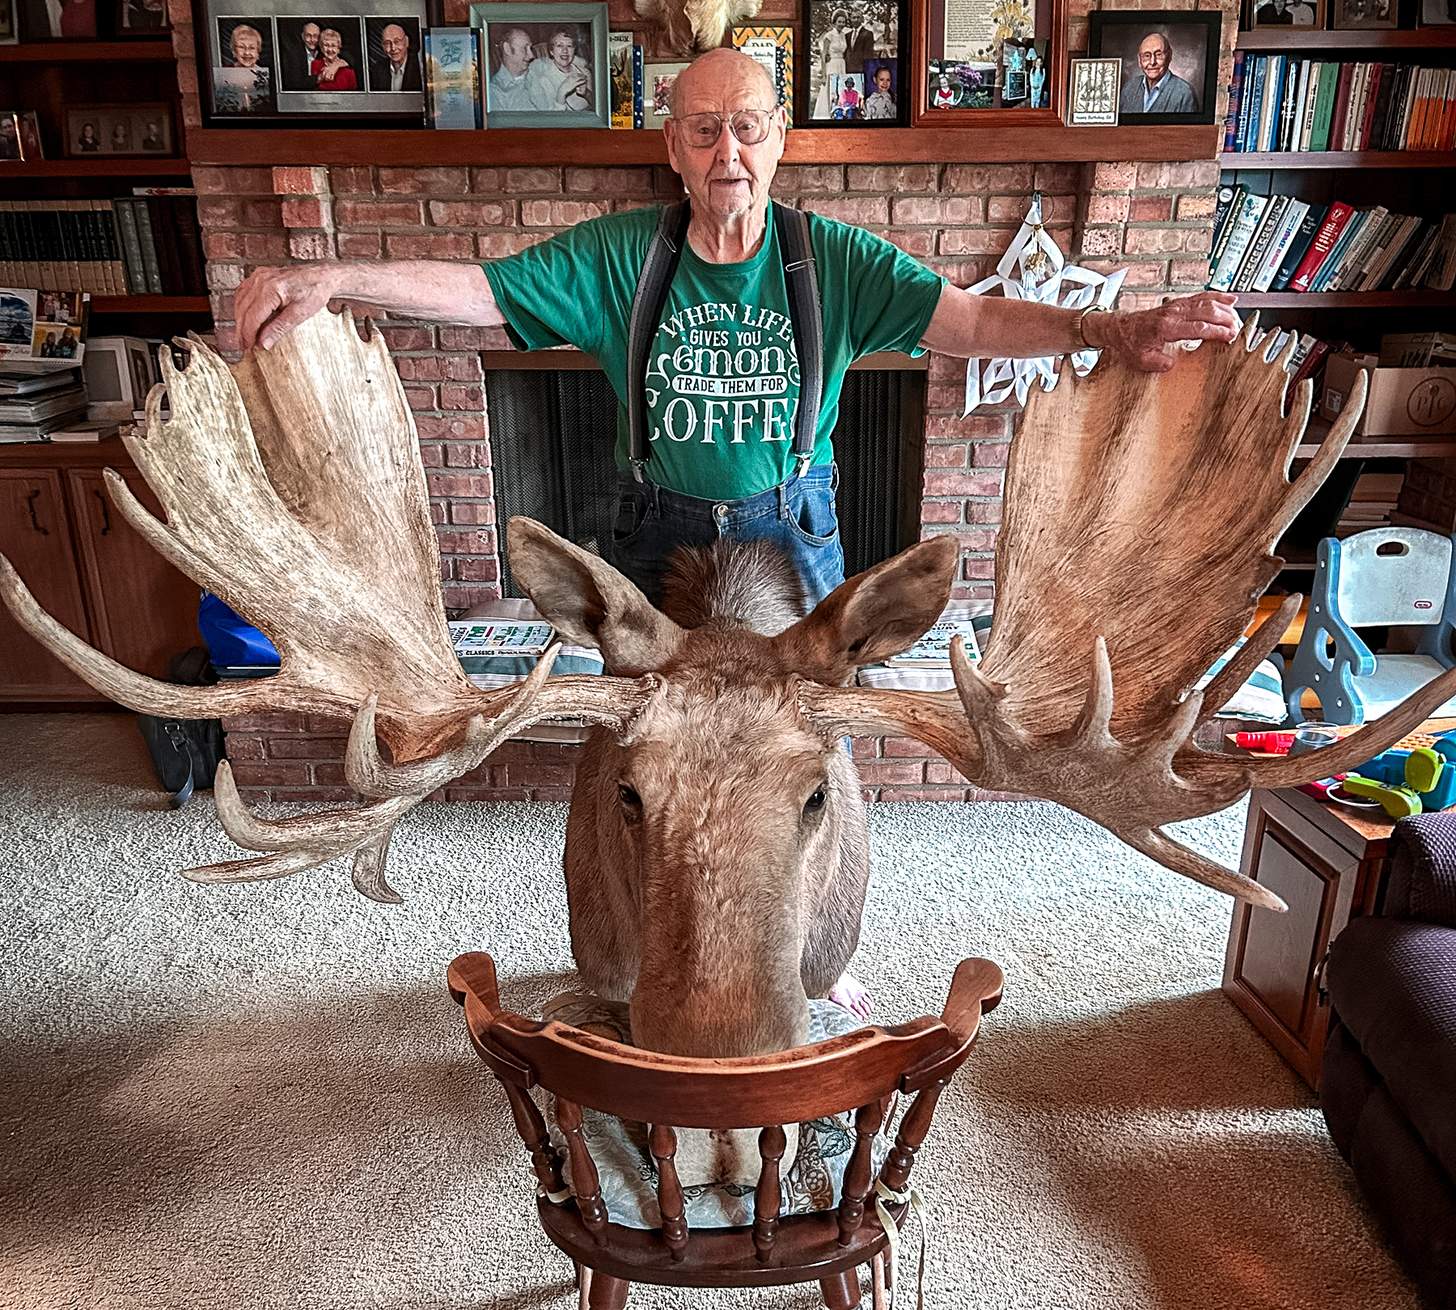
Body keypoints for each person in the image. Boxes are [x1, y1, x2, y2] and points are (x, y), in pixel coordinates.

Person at [236, 44, 1240, 603]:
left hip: (790, 532)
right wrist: (340, 277)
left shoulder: (832, 259)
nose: (728, 148)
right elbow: (479, 292)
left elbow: (972, 323)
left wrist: (1112, 327)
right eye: (704, 127)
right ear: (674, 146)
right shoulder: (625, 254)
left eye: (747, 126)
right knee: (654, 746)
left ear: (779, 143)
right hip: (656, 529)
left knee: (802, 739)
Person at [1118, 32, 1198, 114]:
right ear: (1139, 60)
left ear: (1169, 56)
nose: (1152, 62)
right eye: (1147, 56)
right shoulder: (1129, 87)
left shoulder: (1185, 93)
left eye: (1158, 54)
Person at [525, 28, 591, 111]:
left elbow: (599, 106)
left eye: (569, 46)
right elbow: (552, 119)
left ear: (574, 50)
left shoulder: (584, 72)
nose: (565, 50)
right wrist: (561, 94)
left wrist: (586, 93)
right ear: (551, 51)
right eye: (560, 45)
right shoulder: (543, 80)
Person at [489, 27, 535, 111]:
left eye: (530, 48)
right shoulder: (495, 91)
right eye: (524, 48)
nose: (531, 55)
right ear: (507, 49)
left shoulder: (539, 70)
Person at [370, 22, 421, 92]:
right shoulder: (377, 69)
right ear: (383, 46)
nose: (393, 48)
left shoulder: (420, 66)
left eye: (397, 42)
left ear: (406, 42)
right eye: (387, 43)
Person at [280, 20, 323, 91]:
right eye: (308, 35)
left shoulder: (324, 52)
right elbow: (295, 83)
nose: (312, 40)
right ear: (302, 37)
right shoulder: (293, 54)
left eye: (315, 36)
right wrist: (319, 78)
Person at [312, 27, 358, 91]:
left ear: (338, 49)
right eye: (326, 45)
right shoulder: (315, 64)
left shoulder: (349, 71)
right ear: (321, 48)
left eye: (333, 45)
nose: (330, 49)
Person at [842, 8, 875, 72]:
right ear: (850, 19)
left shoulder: (868, 34)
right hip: (848, 68)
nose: (856, 20)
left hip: (861, 68)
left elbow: (868, 54)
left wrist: (866, 69)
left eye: (858, 17)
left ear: (862, 19)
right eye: (853, 18)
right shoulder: (847, 35)